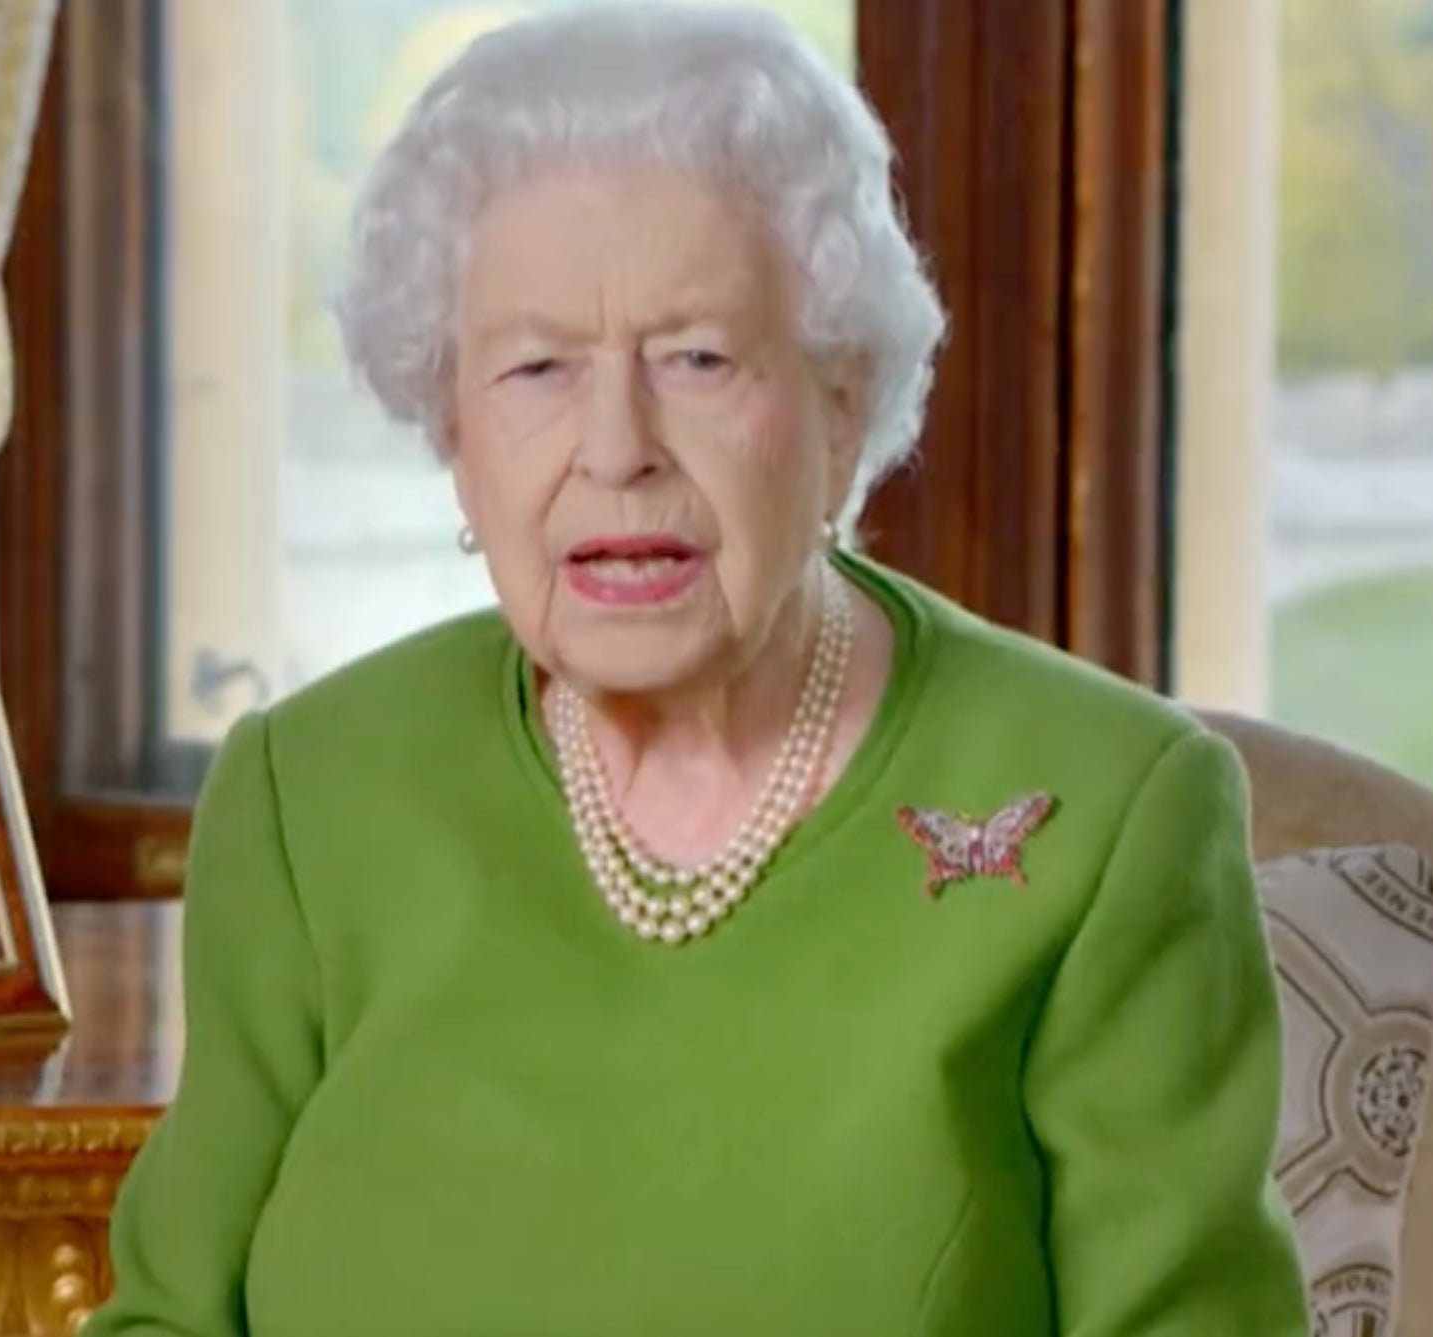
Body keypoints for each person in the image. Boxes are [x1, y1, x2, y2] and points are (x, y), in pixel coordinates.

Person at [82, 5, 1309, 1334]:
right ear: (453, 426)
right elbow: (168, 1315)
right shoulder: (306, 794)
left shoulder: (1109, 811)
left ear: (841, 403)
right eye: (537, 366)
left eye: (697, 358)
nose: (615, 445)